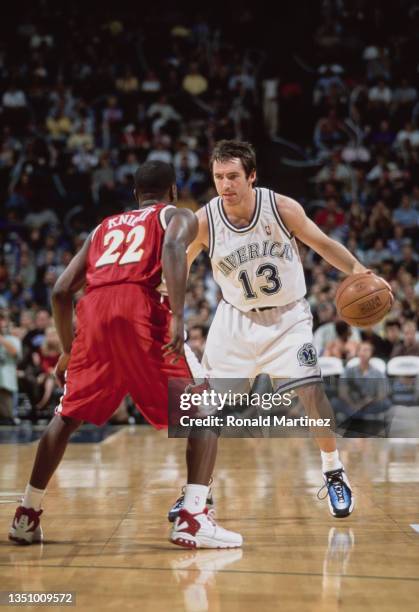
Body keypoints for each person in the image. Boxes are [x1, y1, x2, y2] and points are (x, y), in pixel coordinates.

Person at [9, 161, 242, 550]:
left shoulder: (101, 228)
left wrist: (69, 349)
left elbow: (62, 291)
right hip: (141, 308)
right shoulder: (175, 215)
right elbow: (171, 248)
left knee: (66, 417)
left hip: (95, 313)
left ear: (135, 194)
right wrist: (178, 316)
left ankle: (26, 515)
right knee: (203, 412)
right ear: (171, 191)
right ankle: (193, 518)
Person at [169, 140, 392, 522]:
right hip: (234, 320)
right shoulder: (204, 220)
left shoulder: (281, 208)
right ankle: (198, 494)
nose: (226, 184)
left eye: (234, 176)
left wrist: (358, 271)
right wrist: (163, 301)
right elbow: (180, 264)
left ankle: (333, 470)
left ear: (251, 176)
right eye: (219, 177)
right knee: (205, 410)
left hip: (288, 319)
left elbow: (322, 244)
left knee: (310, 391)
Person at [332, 342, 391, 422]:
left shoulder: (378, 373)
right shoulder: (349, 371)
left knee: (386, 403)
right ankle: (359, 416)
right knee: (334, 402)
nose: (363, 353)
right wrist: (353, 404)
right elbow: (342, 392)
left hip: (370, 404)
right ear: (358, 352)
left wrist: (365, 403)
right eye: (361, 350)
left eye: (366, 350)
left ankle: (357, 416)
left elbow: (382, 394)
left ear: (371, 354)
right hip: (351, 404)